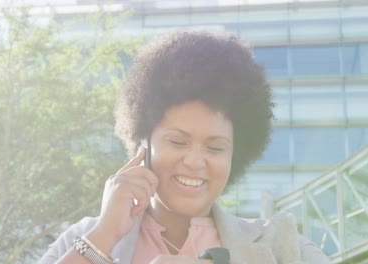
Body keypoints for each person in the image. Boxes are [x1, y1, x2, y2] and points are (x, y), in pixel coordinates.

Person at [39, 31, 331, 264]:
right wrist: (104, 235)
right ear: (144, 142)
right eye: (177, 141)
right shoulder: (84, 239)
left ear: (234, 155)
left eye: (215, 148)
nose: (194, 161)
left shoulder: (282, 244)